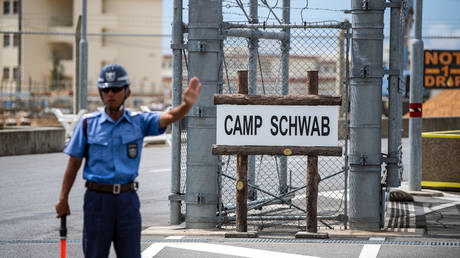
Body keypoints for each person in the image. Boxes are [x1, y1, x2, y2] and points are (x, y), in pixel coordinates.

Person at [55, 64, 201, 258]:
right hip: (97, 200)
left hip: (127, 200)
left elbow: (168, 117)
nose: (110, 94)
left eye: (116, 89)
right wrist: (63, 199)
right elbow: (73, 164)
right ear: (100, 92)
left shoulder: (138, 121)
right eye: (106, 89)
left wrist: (186, 106)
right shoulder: (87, 124)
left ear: (127, 92)